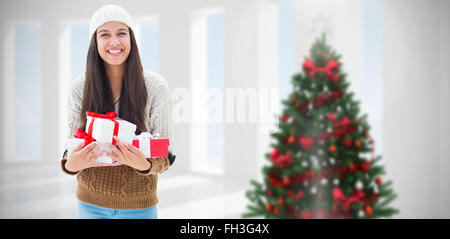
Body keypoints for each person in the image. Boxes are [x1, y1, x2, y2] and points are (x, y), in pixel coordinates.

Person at [60, 4, 175, 219]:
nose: (114, 42)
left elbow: (166, 154)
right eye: (105, 35)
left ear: (131, 38)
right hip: (89, 205)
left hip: (140, 206)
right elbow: (70, 148)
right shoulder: (79, 88)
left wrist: (145, 164)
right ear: (95, 42)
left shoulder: (155, 87)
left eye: (121, 33)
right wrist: (70, 165)